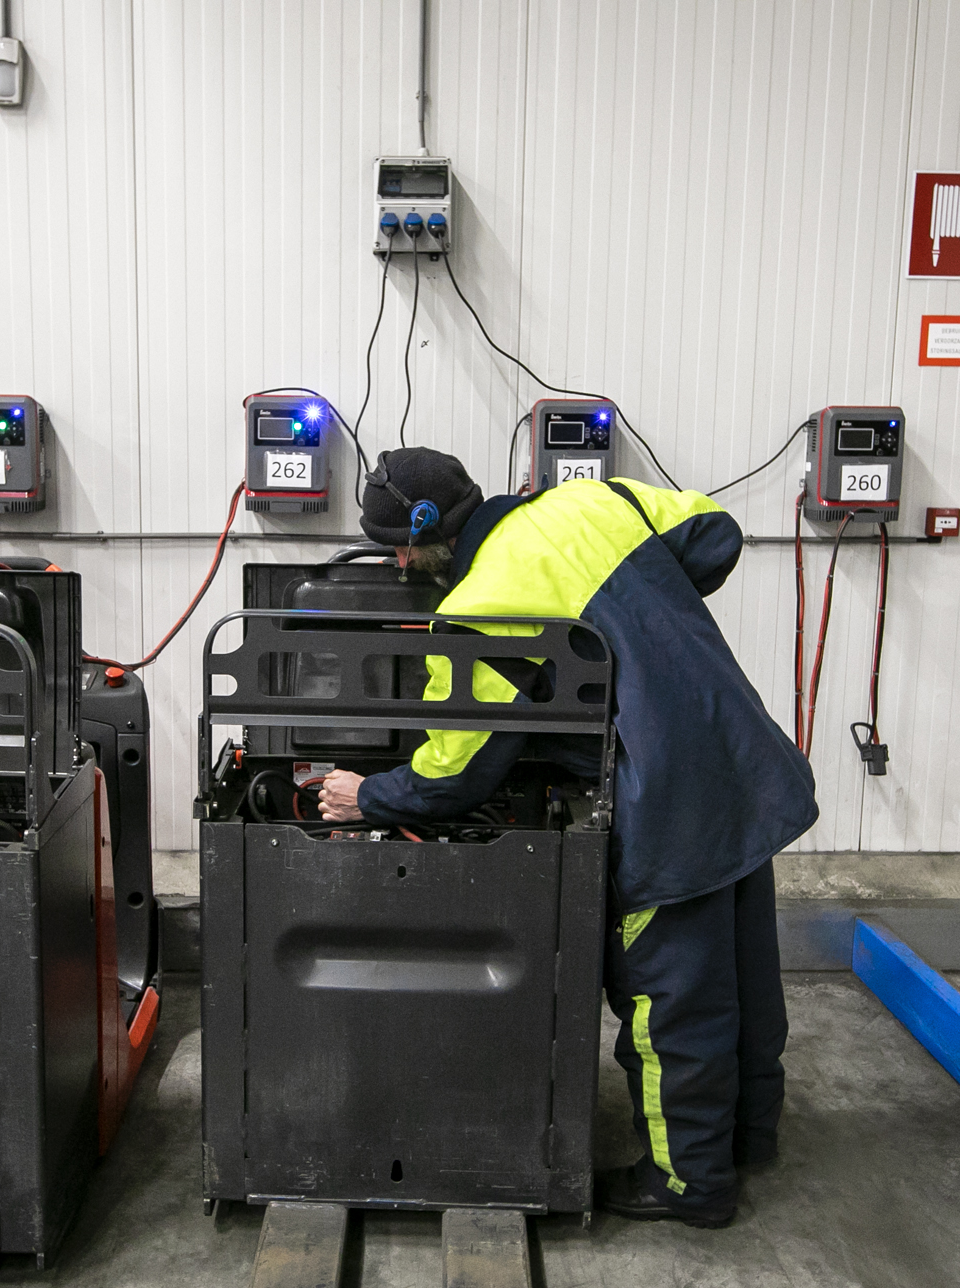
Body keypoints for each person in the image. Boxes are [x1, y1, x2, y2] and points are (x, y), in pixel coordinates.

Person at [316, 447, 818, 1229]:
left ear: (414, 545)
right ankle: (747, 1137)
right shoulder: (587, 501)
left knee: (670, 997)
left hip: (666, 795)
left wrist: (367, 795)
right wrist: (643, 623)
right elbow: (714, 535)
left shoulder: (480, 602)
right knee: (745, 971)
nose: (402, 564)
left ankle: (691, 1182)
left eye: (398, 552)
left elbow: (459, 769)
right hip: (739, 754)